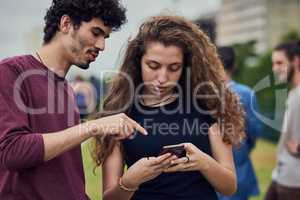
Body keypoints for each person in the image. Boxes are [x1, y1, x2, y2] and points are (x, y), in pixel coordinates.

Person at [0, 0, 148, 199]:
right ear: (66, 24)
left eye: (105, 37)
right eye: (96, 33)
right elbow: (13, 151)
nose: (102, 46)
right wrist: (93, 127)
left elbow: (65, 176)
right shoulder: (11, 72)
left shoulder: (67, 91)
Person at [93, 15, 245, 200]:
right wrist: (130, 181)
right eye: (153, 66)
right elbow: (109, 198)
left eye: (173, 68)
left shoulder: (207, 105)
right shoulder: (120, 112)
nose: (163, 78)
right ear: (138, 61)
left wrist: (204, 163)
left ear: (186, 66)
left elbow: (229, 187)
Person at [217, 46, 261, 200]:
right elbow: (254, 132)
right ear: (234, 66)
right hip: (240, 168)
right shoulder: (247, 93)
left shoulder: (202, 94)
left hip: (215, 172)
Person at [265, 40, 300, 200]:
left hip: (294, 182)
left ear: (296, 61)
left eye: (280, 63)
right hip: (281, 175)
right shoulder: (293, 94)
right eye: (273, 63)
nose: (275, 69)